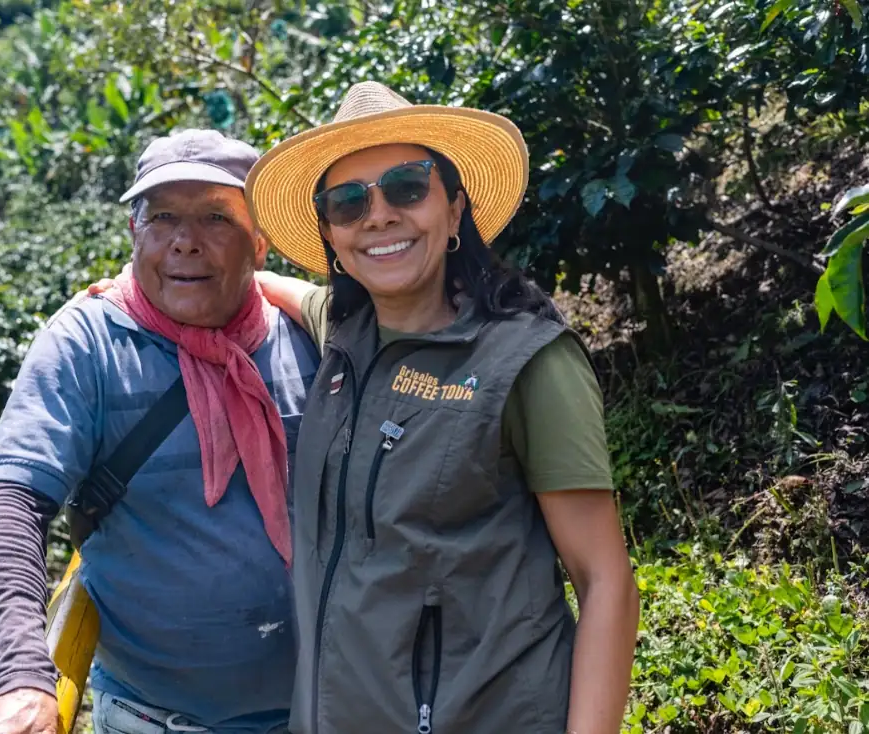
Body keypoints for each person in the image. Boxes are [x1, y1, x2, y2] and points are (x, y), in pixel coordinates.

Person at [247, 82, 641, 734]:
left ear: (456, 208)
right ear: (330, 233)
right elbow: (291, 293)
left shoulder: (528, 361)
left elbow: (605, 581)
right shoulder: (348, 335)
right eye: (348, 202)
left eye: (406, 187)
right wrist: (154, 287)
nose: (377, 216)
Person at [0, 129, 320, 734]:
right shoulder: (88, 344)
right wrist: (15, 679)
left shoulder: (307, 340)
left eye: (215, 217)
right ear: (135, 234)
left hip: (324, 710)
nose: (185, 243)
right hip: (154, 719)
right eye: (162, 218)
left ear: (260, 242)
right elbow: (9, 505)